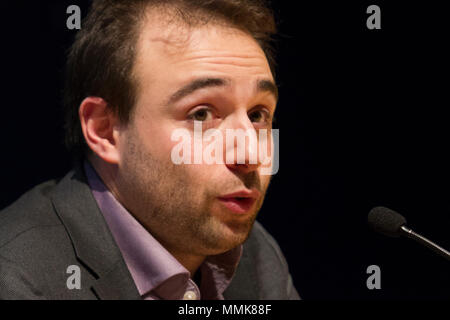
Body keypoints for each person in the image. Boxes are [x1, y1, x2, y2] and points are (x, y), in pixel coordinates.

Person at [0, 0, 300, 300]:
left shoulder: (256, 257)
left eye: (258, 115)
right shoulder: (17, 280)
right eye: (201, 114)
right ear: (105, 131)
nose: (251, 155)